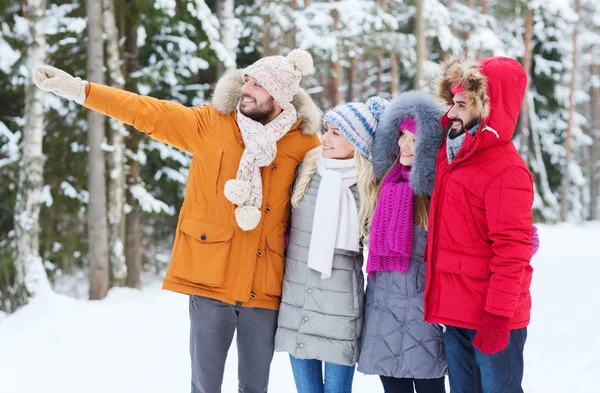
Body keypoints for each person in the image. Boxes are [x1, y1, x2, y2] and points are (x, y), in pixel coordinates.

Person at [33, 50, 322, 393]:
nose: (247, 88)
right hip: (211, 280)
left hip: (265, 286)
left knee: (256, 386)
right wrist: (81, 90)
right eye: (247, 79)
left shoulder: (304, 142)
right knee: (204, 385)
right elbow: (146, 111)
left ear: (280, 95)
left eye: (258, 85)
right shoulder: (210, 123)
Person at [423, 56, 536, 393]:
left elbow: (513, 252)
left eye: (462, 104)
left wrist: (499, 318)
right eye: (452, 102)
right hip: (457, 314)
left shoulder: (507, 170)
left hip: (492, 317)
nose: (452, 112)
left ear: (488, 107)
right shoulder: (452, 154)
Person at [274, 97, 387, 393]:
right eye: (327, 129)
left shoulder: (369, 187)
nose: (325, 138)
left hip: (340, 309)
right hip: (298, 300)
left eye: (337, 133)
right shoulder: (307, 172)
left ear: (358, 142)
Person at [357, 91, 448, 393]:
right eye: (402, 136)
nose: (404, 145)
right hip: (384, 312)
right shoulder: (384, 184)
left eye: (414, 138)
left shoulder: (438, 193)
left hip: (424, 313)